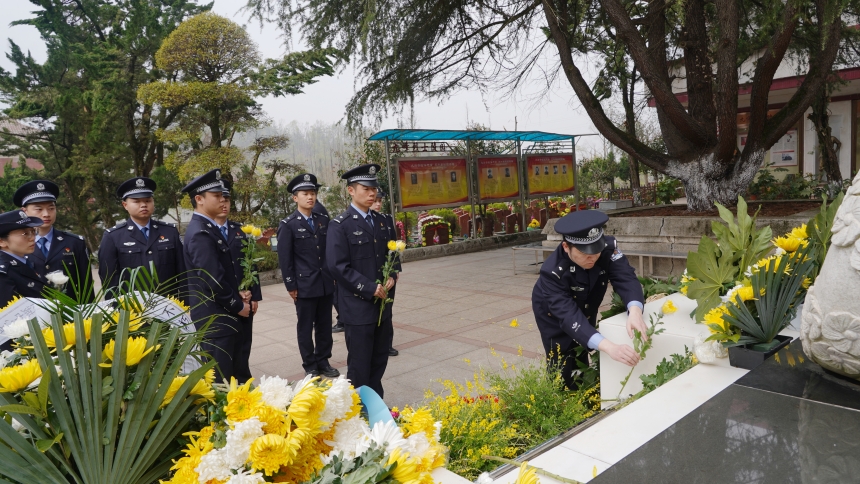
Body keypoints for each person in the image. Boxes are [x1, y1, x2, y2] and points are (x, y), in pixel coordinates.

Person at [532, 210, 646, 390]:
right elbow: (569, 317)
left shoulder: (607, 249)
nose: (592, 257)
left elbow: (625, 277)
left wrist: (635, 311)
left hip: (586, 301)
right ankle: (560, 396)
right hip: (552, 310)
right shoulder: (552, 273)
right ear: (566, 247)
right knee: (562, 354)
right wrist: (610, 348)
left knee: (583, 345)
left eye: (596, 249)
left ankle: (584, 388)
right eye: (585, 252)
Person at [326, 164, 400, 397]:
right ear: (351, 191)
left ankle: (375, 404)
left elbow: (392, 254)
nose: (372, 193)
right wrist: (369, 287)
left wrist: (392, 274)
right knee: (359, 363)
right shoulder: (340, 225)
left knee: (379, 359)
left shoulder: (381, 221)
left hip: (381, 306)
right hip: (358, 307)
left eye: (374, 189)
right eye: (366, 188)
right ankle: (358, 410)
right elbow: (337, 266)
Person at [181, 169, 250, 383]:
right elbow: (212, 279)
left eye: (223, 195)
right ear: (199, 199)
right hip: (215, 320)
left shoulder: (209, 227)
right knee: (220, 382)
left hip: (223, 317)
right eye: (216, 196)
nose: (223, 200)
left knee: (234, 376)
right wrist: (237, 305)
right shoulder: (201, 232)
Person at [278, 173, 339, 378]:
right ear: (295, 198)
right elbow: (285, 259)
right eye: (305, 194)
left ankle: (323, 360)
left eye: (312, 193)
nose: (310, 197)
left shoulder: (322, 219)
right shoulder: (288, 224)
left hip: (324, 283)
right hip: (304, 285)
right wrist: (290, 285)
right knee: (305, 327)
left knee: (324, 326)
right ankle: (310, 365)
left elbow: (330, 250)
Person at [98, 177, 186, 297]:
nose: (143, 205)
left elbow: (184, 273)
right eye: (136, 201)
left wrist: (186, 305)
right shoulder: (113, 237)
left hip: (169, 305)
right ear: (125, 205)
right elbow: (110, 281)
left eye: (147, 200)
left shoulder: (170, 232)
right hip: (132, 308)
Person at [14, 180, 94, 303]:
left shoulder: (74, 243)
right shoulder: (15, 245)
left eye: (51, 208)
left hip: (69, 315)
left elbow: (86, 287)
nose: (46, 214)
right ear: (24, 212)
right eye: (39, 209)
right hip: (31, 317)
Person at [218, 180, 262, 383]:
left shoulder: (240, 231)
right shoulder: (206, 234)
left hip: (245, 299)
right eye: (220, 199)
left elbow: (250, 264)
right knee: (225, 351)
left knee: (245, 343)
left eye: (227, 199)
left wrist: (255, 296)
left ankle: (244, 379)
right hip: (223, 300)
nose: (224, 203)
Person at [0, 210, 47, 351]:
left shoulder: (27, 261)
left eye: (33, 231)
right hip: (21, 348)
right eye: (25, 234)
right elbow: (9, 320)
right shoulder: (3, 271)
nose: (32, 238)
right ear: (2, 241)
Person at [370, 190, 399, 357]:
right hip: (373, 275)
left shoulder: (386, 220)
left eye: (380, 200)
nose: (378, 204)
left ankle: (387, 344)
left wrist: (395, 272)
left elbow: (395, 248)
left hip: (388, 273)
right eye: (375, 200)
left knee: (387, 310)